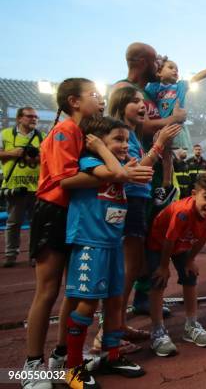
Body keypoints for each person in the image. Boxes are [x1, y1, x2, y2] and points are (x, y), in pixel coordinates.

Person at [22, 78, 105, 389]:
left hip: (76, 214)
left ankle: (62, 358)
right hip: (53, 214)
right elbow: (64, 179)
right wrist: (114, 175)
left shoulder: (84, 132)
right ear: (74, 102)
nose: (100, 99)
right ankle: (32, 364)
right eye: (94, 94)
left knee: (74, 290)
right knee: (48, 289)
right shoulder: (65, 130)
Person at [63, 117, 150, 388]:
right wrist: (101, 148)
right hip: (91, 242)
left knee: (114, 302)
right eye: (119, 140)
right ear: (97, 142)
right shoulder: (91, 164)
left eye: (127, 140)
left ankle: (112, 355)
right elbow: (115, 174)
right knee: (87, 305)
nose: (125, 145)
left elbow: (125, 173)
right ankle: (73, 367)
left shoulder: (119, 165)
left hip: (113, 243)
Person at [112, 42, 185, 321]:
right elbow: (127, 126)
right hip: (133, 172)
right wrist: (171, 120)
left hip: (152, 171)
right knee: (131, 244)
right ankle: (114, 314)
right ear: (142, 62)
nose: (160, 66)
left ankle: (142, 298)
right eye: (156, 62)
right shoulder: (123, 90)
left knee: (152, 234)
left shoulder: (151, 92)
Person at [147, 173, 206, 356]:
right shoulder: (183, 212)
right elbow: (168, 240)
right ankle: (157, 330)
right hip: (159, 243)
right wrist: (164, 266)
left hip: (182, 243)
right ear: (193, 194)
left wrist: (190, 260)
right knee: (159, 280)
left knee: (190, 275)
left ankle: (191, 325)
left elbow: (202, 239)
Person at [145, 61, 206, 149]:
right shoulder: (153, 87)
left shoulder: (180, 86)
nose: (175, 71)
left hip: (177, 129)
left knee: (180, 154)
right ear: (159, 72)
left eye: (177, 69)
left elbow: (197, 77)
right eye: (170, 67)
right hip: (160, 128)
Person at [0, 107, 45, 267]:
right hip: (14, 186)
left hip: (37, 188)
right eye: (30, 116)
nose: (34, 119)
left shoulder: (43, 137)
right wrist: (13, 153)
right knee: (13, 223)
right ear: (19, 118)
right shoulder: (5, 134)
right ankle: (11, 255)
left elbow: (49, 158)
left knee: (36, 224)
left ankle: (34, 255)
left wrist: (35, 158)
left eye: (36, 117)